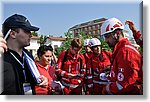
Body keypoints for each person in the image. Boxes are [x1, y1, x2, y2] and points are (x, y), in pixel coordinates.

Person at [2, 14, 48, 95]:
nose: (31, 35)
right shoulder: (2, 58)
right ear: (13, 34)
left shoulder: (28, 57)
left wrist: (42, 79)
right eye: (27, 31)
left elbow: (34, 78)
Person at [101, 18, 143, 94]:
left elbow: (125, 84)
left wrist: (107, 89)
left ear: (117, 33)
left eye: (107, 36)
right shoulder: (120, 51)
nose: (105, 41)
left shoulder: (126, 52)